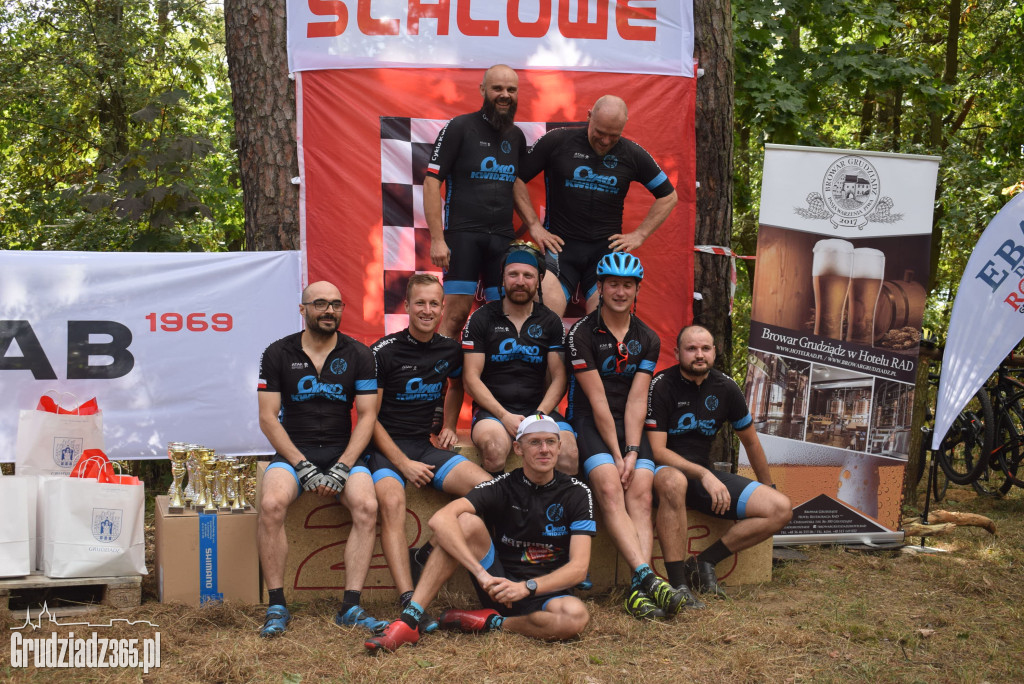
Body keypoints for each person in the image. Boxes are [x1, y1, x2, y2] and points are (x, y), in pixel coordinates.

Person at [365, 413, 595, 653]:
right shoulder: (503, 485)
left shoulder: (578, 493)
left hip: (547, 592)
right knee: (464, 522)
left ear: (559, 447)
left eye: (550, 442)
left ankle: (492, 623)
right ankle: (410, 620)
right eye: (535, 442)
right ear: (518, 448)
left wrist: (526, 587)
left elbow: (579, 569)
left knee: (576, 617)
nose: (544, 449)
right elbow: (440, 519)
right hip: (497, 586)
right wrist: (481, 574)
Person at [565, 252, 697, 619]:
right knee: (610, 485)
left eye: (627, 285)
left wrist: (634, 450)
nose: (620, 292)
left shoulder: (648, 337)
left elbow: (638, 399)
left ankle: (638, 592)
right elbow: (597, 400)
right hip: (590, 420)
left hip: (631, 424)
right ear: (600, 288)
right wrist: (616, 452)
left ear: (637, 290)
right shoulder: (580, 333)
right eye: (613, 285)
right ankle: (648, 577)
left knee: (640, 491)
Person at [255, 281, 384, 637]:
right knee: (271, 504)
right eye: (321, 303)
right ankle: (277, 605)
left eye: (336, 304)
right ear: (303, 309)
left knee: (367, 507)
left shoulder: (360, 354)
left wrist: (344, 465)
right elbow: (268, 418)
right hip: (294, 452)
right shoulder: (277, 353)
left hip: (343, 452)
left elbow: (367, 416)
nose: (329, 310)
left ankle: (350, 607)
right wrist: (301, 465)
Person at [366, 274, 492, 614]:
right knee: (392, 502)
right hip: (382, 451)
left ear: (442, 308)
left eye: (434, 303)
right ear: (406, 306)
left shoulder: (450, 350)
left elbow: (457, 386)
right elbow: (368, 419)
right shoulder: (382, 351)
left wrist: (449, 424)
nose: (427, 310)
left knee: (489, 489)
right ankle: (408, 597)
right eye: (419, 303)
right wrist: (403, 464)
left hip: (424, 446)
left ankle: (426, 552)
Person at [648, 325, 793, 597]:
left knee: (780, 508)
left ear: (715, 352)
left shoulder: (725, 387)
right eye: (691, 349)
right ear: (677, 352)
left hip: (702, 478)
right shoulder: (661, 384)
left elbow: (751, 442)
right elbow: (657, 450)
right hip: (663, 473)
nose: (699, 354)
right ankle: (678, 585)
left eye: (705, 348)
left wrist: (767, 487)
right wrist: (704, 474)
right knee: (674, 480)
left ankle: (703, 563)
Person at [516, 95, 678, 317]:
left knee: (606, 325)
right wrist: (534, 225)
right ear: (589, 116)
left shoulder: (632, 153)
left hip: (605, 251)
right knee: (544, 320)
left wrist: (640, 234)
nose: (605, 141)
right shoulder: (558, 141)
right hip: (561, 248)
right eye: (600, 132)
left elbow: (668, 196)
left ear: (624, 125)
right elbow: (516, 179)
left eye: (614, 135)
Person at [424, 64, 530, 338]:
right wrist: (437, 239)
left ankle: (491, 368)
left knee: (503, 318)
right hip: (463, 235)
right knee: (456, 315)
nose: (505, 95)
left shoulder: (516, 136)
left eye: (511, 89)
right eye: (497, 88)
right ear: (483, 90)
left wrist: (535, 226)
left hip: (502, 239)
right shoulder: (459, 127)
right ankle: (444, 368)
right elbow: (431, 182)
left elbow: (517, 183)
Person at [461, 241, 577, 476]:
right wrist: (504, 416)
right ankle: (498, 500)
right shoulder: (481, 318)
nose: (520, 281)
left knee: (569, 455)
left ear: (539, 280)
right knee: (494, 449)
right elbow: (470, 379)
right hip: (493, 412)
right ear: (503, 279)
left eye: (528, 275)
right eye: (513, 274)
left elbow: (559, 378)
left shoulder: (551, 321)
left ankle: (553, 501)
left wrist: (538, 416)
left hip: (539, 409)